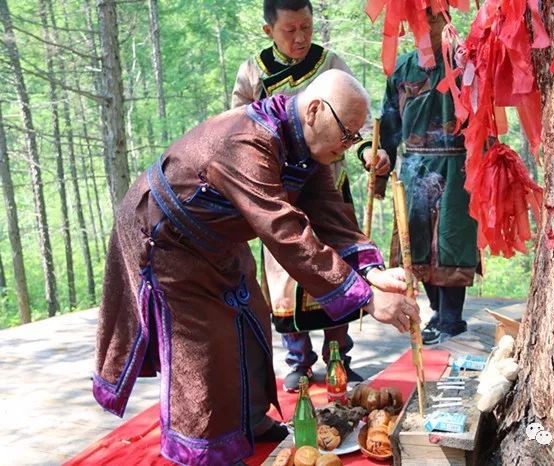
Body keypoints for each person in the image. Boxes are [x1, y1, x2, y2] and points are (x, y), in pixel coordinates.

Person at [93, 69, 419, 466]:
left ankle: (248, 420)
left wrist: (372, 271)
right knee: (203, 344)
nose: (349, 145)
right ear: (315, 109)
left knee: (249, 321)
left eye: (355, 137)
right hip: (166, 236)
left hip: (219, 237)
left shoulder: (307, 144)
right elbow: (285, 231)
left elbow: (330, 215)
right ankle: (202, 450)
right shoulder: (248, 140)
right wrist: (367, 300)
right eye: (346, 134)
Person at [232, 0, 390, 392]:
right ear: (269, 30)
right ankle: (297, 361)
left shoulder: (330, 62)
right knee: (287, 278)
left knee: (339, 261)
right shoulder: (254, 71)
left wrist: (368, 149)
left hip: (328, 187)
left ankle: (339, 356)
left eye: (306, 27)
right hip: (278, 193)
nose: (301, 38)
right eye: (290, 30)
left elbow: (359, 118)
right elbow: (238, 125)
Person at [362, 8, 480, 346]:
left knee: (452, 239)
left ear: (447, 19)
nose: (427, 25)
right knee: (417, 243)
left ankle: (452, 318)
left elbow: (483, 119)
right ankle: (437, 313)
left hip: (458, 166)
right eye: (420, 19)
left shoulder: (466, 62)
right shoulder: (403, 69)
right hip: (414, 169)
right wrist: (381, 162)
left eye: (433, 17)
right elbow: (388, 127)